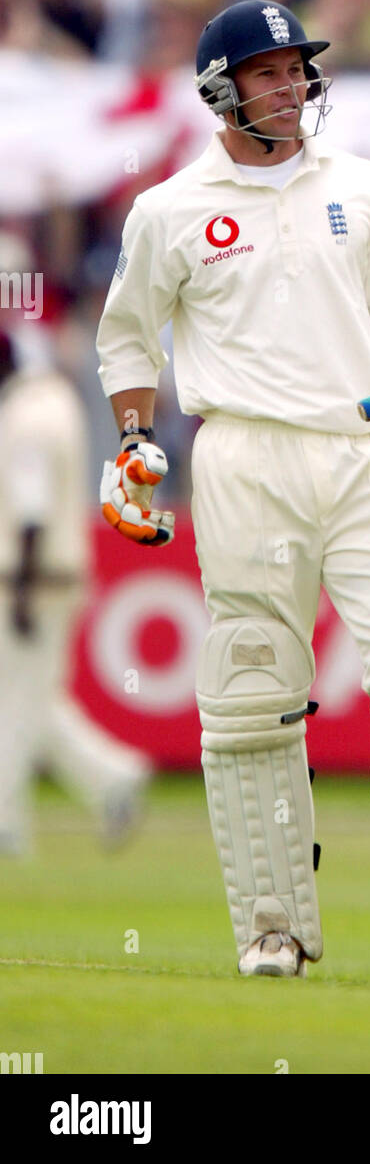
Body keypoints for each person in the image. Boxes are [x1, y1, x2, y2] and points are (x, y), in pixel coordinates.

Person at [95, 0, 370, 982]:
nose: (290, 86)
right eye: (266, 72)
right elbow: (128, 336)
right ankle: (274, 929)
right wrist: (137, 439)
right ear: (222, 89)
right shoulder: (171, 210)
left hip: (364, 452)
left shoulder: (362, 188)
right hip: (243, 459)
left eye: (296, 69)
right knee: (252, 691)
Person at [0, 331, 150, 855]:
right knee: (33, 700)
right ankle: (115, 778)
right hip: (53, 576)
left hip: (33, 580)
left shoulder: (26, 416)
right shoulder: (57, 402)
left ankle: (7, 825)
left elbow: (32, 508)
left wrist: (19, 589)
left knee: (14, 703)